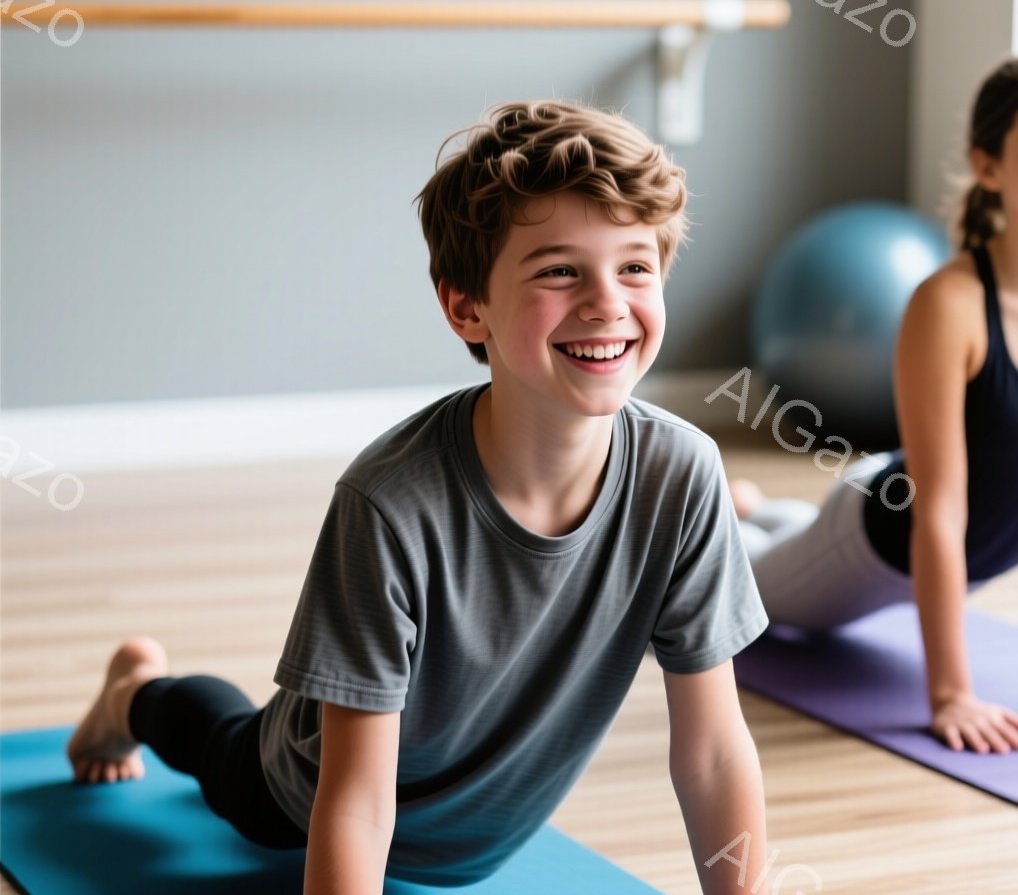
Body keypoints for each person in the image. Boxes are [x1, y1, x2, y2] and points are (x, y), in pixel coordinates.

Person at [64, 100, 771, 893]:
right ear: (467, 306)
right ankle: (132, 693)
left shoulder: (684, 475)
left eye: (635, 265)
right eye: (559, 270)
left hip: (477, 830)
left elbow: (711, 754)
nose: (608, 301)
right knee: (232, 762)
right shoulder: (390, 503)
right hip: (307, 793)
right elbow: (357, 802)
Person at [732, 55, 1018, 755]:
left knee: (789, 538)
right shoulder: (951, 303)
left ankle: (752, 507)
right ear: (989, 167)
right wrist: (950, 693)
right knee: (749, 594)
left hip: (956, 545)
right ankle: (716, 522)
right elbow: (939, 508)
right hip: (880, 541)